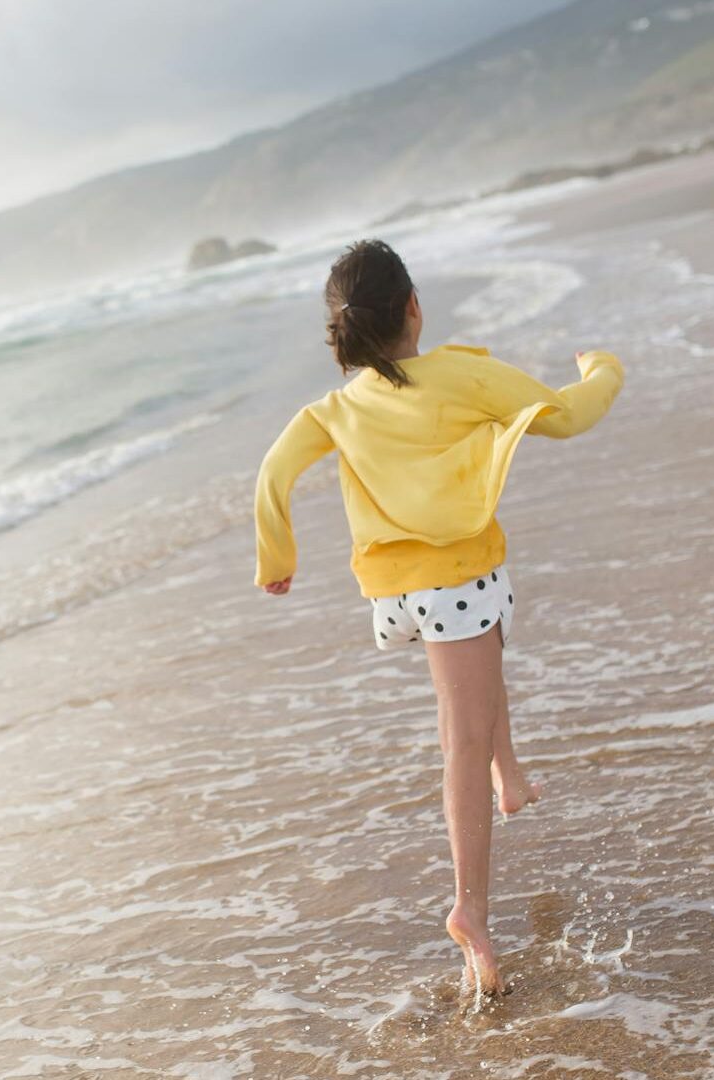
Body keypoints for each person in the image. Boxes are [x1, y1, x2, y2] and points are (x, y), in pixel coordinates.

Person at [253, 240, 624, 995]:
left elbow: (273, 473)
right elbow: (565, 417)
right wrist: (603, 369)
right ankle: (470, 911)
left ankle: (510, 776)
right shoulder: (459, 375)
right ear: (414, 306)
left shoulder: (335, 407)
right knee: (463, 734)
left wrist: (276, 559)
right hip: (455, 578)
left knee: (482, 678)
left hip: (399, 592)